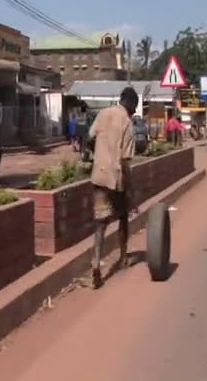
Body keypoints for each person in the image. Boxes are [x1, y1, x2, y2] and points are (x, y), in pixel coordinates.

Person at [87, 86, 138, 289]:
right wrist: (130, 188)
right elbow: (125, 161)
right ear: (132, 105)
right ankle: (123, 256)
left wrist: (97, 154)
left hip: (98, 175)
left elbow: (90, 136)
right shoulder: (127, 122)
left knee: (100, 222)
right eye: (134, 108)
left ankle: (96, 262)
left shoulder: (103, 113)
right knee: (123, 215)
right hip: (115, 178)